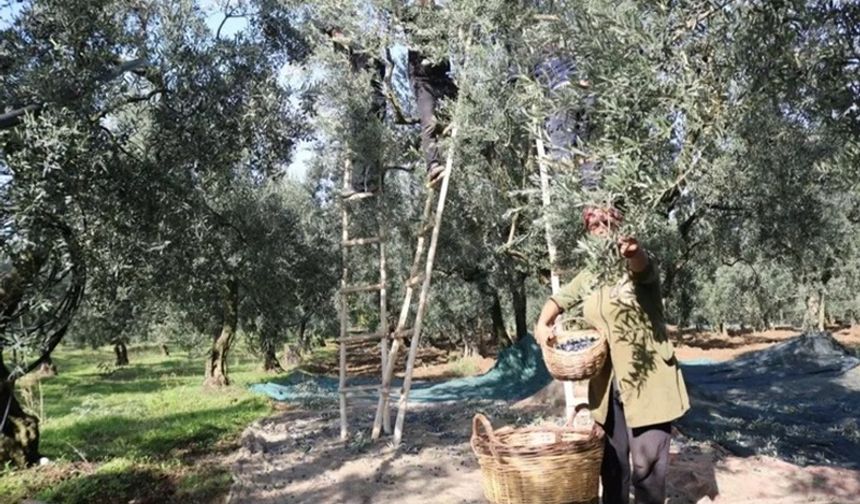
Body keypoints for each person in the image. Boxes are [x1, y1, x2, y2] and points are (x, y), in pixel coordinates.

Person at [533, 206, 690, 504]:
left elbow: (644, 269)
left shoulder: (635, 265)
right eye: (593, 228)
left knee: (647, 471)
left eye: (606, 224)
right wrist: (543, 323)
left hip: (648, 384)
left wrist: (634, 251)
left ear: (618, 226)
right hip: (607, 388)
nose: (600, 231)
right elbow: (561, 297)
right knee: (613, 469)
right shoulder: (591, 274)